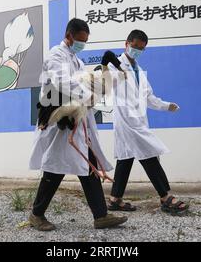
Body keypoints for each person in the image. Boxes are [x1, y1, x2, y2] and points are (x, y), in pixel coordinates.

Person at [28, 18, 128, 231]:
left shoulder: (77, 61)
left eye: (85, 41)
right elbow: (62, 82)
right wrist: (88, 95)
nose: (82, 44)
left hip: (77, 117)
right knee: (55, 168)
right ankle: (36, 214)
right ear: (69, 35)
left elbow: (85, 82)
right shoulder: (56, 55)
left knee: (87, 162)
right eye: (80, 40)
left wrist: (98, 91)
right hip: (59, 118)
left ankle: (101, 216)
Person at [107, 30, 188, 215]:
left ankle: (114, 199)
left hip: (138, 122)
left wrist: (166, 106)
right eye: (135, 47)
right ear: (126, 43)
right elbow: (106, 84)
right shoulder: (114, 67)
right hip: (127, 122)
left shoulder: (140, 71)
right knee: (149, 155)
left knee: (126, 158)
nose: (137, 51)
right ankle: (166, 197)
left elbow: (148, 97)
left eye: (141, 49)